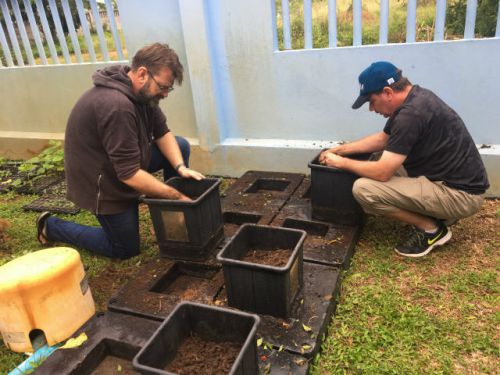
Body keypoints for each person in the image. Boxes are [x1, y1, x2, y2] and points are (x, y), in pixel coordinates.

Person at [36, 43, 204, 259]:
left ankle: (172, 218)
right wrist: (176, 195)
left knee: (179, 146)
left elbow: (163, 133)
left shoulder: (143, 95)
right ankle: (50, 226)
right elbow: (129, 174)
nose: (165, 94)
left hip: (124, 164)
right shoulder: (116, 106)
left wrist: (180, 168)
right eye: (163, 87)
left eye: (168, 88)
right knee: (124, 249)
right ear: (142, 73)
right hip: (102, 181)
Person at [319, 61, 489, 258]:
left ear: (388, 92)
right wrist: (341, 149)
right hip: (452, 181)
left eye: (371, 101)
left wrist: (340, 162)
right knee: (380, 159)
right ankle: (439, 213)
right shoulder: (416, 98)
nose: (371, 109)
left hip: (460, 195)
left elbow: (383, 173)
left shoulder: (411, 114)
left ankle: (432, 229)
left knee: (364, 189)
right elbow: (383, 139)